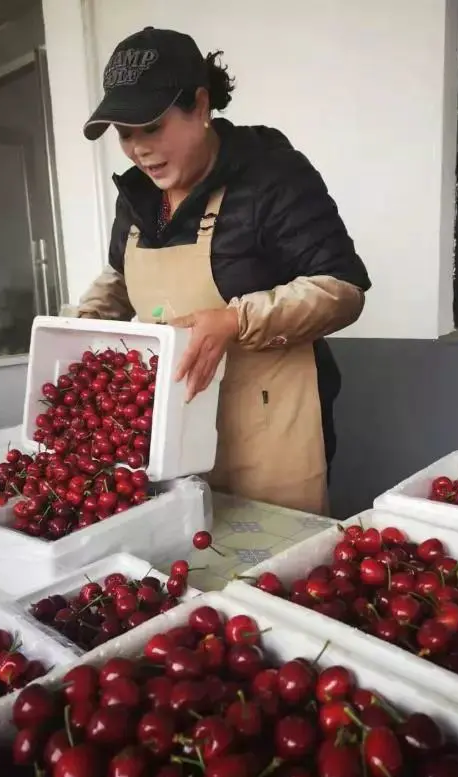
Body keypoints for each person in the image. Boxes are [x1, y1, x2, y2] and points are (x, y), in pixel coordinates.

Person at [78, 27, 371, 515]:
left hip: (270, 430)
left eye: (151, 127)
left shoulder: (272, 176)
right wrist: (85, 320)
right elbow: (120, 275)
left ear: (200, 104)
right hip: (176, 430)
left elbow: (343, 288)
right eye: (125, 134)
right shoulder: (137, 195)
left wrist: (235, 321)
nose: (138, 149)